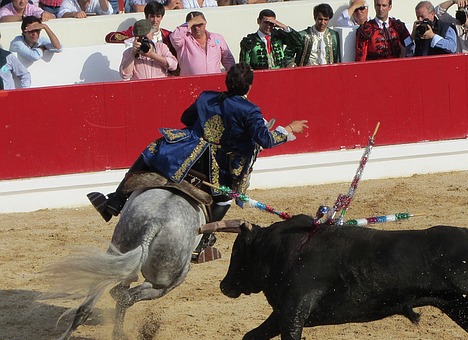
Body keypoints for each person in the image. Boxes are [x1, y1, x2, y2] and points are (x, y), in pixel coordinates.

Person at [88, 62, 308, 260]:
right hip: (216, 168)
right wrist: (288, 129)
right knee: (225, 198)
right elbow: (266, 139)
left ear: (227, 81)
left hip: (185, 155)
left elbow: (185, 118)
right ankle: (203, 241)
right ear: (249, 87)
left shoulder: (206, 97)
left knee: (152, 151)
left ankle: (115, 202)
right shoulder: (250, 110)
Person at [170, 11, 235, 76]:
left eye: (199, 24)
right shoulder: (183, 39)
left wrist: (229, 77)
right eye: (193, 25)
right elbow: (174, 37)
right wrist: (192, 21)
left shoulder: (217, 38)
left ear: (205, 23)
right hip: (190, 83)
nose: (196, 27)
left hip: (214, 82)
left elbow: (228, 59)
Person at [105, 1, 176, 57]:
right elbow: (110, 37)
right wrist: (136, 38)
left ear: (162, 17)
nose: (155, 20)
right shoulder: (136, 30)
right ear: (146, 16)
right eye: (152, 16)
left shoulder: (167, 35)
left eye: (158, 16)